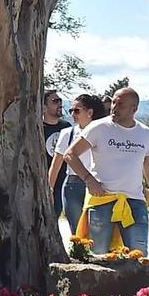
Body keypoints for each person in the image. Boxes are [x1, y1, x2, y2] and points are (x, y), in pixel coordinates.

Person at [62, 86, 149, 256]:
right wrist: (88, 179)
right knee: (99, 256)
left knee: (138, 255)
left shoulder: (145, 133)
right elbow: (70, 154)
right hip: (102, 200)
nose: (114, 108)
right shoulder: (99, 127)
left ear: (134, 109)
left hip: (134, 202)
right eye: (114, 103)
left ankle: (138, 283)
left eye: (121, 104)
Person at [45, 93, 105, 241]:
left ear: (90, 112)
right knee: (78, 230)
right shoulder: (67, 133)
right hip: (73, 184)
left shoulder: (103, 132)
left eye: (76, 110)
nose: (73, 114)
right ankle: (80, 255)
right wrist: (49, 191)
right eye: (71, 111)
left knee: (98, 227)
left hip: (98, 184)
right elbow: (56, 164)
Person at [36, 89, 67, 218]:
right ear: (43, 108)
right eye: (55, 101)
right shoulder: (36, 129)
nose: (59, 104)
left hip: (62, 182)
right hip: (41, 183)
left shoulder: (67, 127)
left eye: (60, 101)